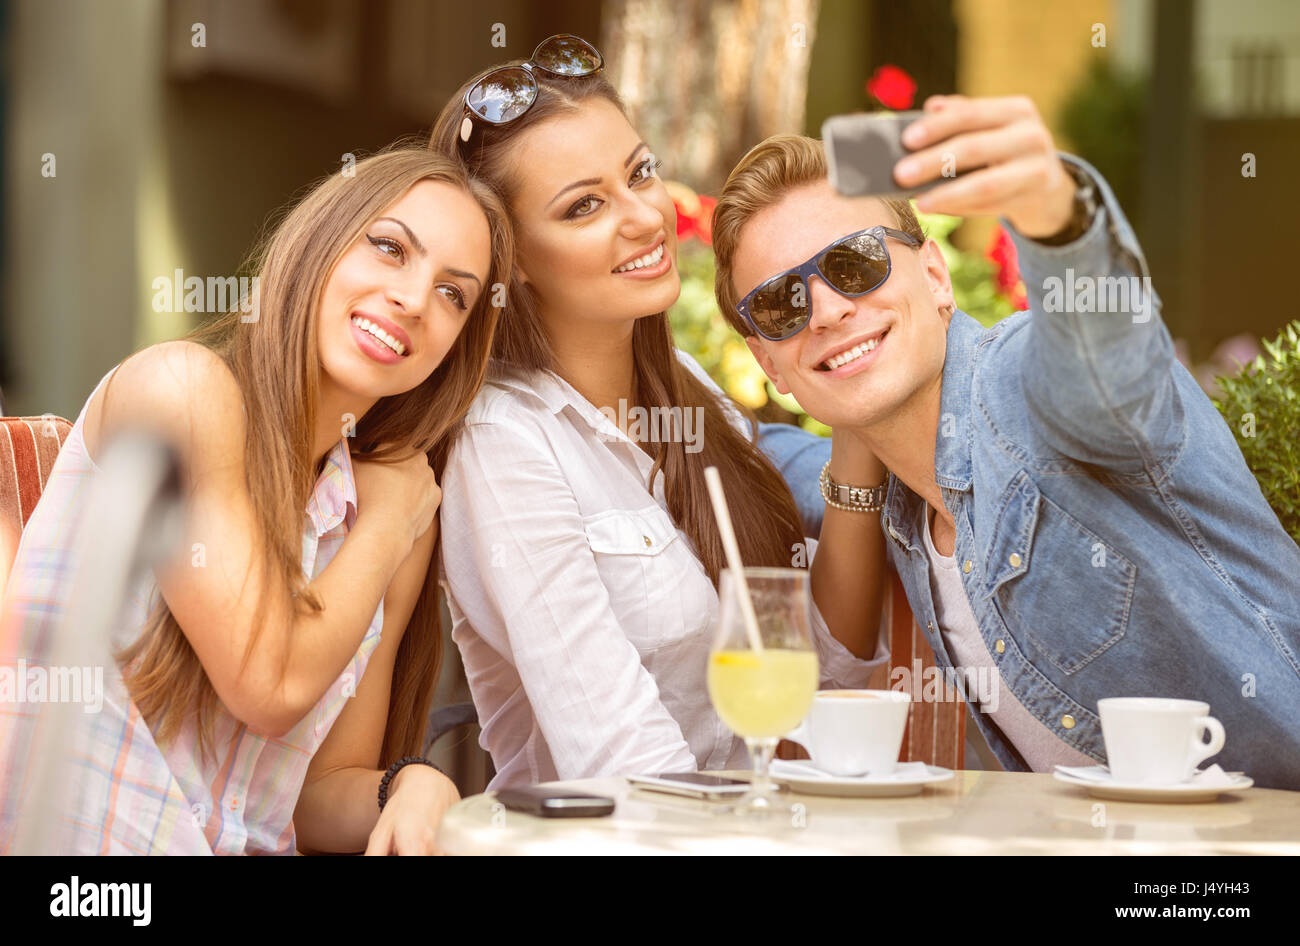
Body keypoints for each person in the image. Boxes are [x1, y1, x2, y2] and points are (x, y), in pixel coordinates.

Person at [711, 95, 1300, 789]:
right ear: (766, 363)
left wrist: (1057, 216)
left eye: (855, 263)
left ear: (935, 276)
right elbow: (762, 456)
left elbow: (1107, 362)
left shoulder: (1024, 387)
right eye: (784, 304)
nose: (830, 310)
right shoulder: (907, 502)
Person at [0, 146, 514, 853]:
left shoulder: (380, 510)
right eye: (390, 249)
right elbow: (268, 685)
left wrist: (412, 784)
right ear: (317, 243)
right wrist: (387, 528)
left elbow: (312, 801)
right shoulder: (182, 391)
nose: (413, 299)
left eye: (454, 293)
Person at [429, 34, 890, 789]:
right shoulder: (505, 446)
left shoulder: (686, 390)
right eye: (584, 207)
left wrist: (857, 415)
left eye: (640, 173)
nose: (644, 216)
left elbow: (825, 668)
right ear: (507, 257)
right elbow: (624, 767)